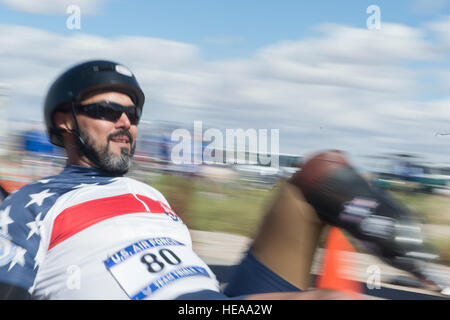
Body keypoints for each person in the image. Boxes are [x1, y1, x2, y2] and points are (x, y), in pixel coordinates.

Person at [0, 60, 438, 300]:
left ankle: (428, 272)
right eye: (106, 110)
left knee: (323, 172)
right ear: (64, 122)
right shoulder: (32, 204)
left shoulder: (147, 193)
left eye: (131, 113)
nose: (124, 122)